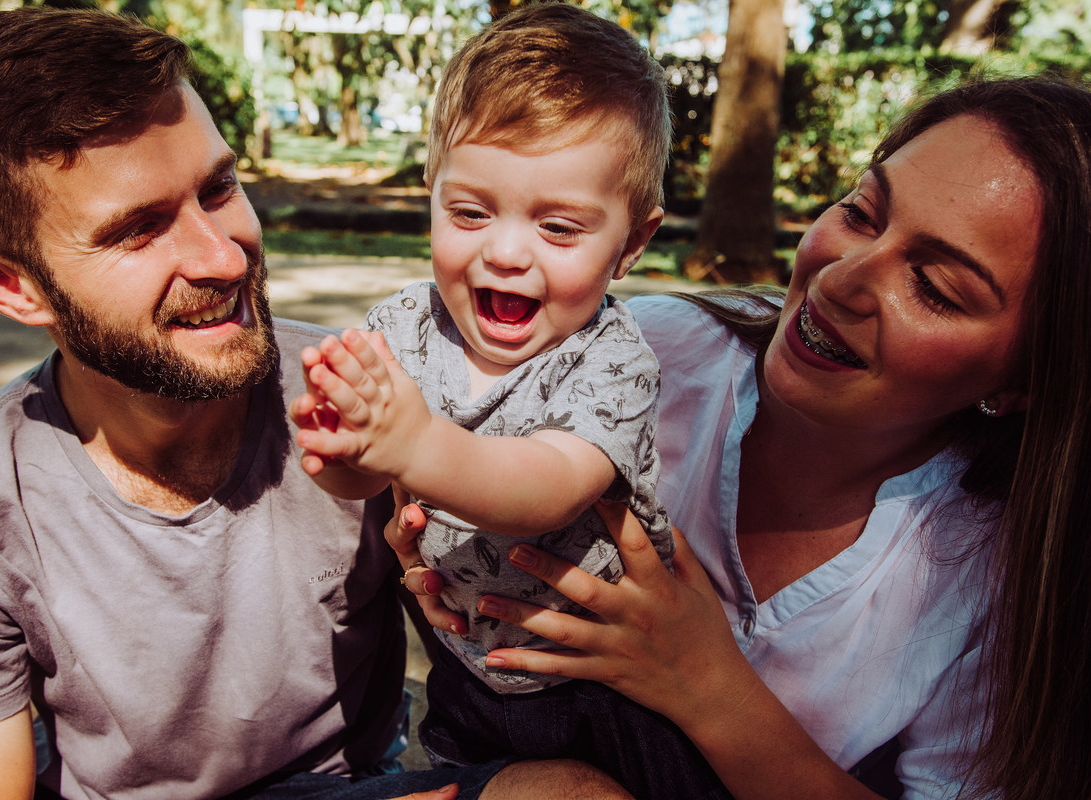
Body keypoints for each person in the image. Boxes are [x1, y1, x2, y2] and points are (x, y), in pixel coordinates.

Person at [0, 8, 635, 800]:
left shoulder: (373, 387)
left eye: (219, 188)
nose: (222, 255)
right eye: (139, 231)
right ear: (12, 285)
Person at [394, 74, 1091, 800]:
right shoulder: (643, 353)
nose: (842, 279)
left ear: (1023, 383)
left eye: (937, 288)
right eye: (861, 212)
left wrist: (710, 688)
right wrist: (438, 561)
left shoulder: (1003, 586)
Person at [291, 5, 725, 798]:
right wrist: (342, 458)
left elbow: (545, 487)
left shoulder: (613, 359)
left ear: (633, 242)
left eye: (559, 227)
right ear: (432, 192)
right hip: (468, 671)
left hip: (608, 684)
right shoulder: (402, 327)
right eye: (469, 212)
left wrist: (415, 445)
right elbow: (372, 485)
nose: (505, 251)